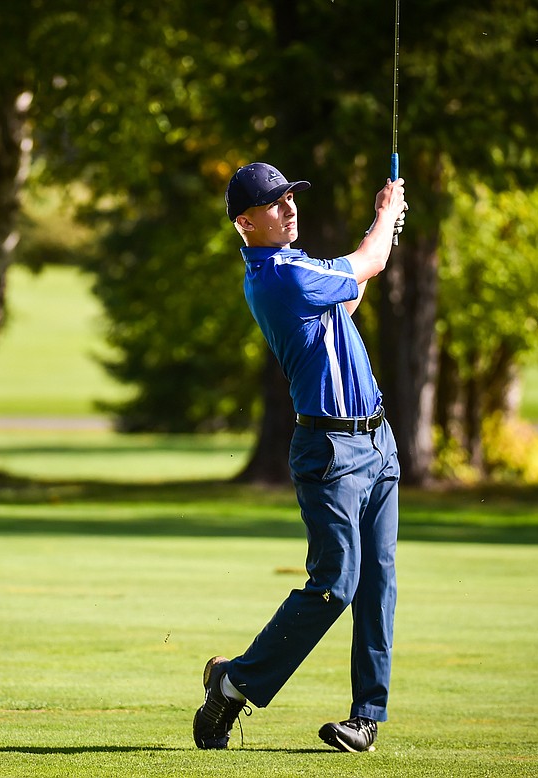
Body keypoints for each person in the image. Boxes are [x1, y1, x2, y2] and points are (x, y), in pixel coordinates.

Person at [193, 162, 407, 753]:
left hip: (378, 442)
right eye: (274, 203)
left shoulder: (302, 270)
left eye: (291, 197)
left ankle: (366, 717)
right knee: (337, 583)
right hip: (330, 452)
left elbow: (355, 290)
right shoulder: (277, 276)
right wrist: (386, 214)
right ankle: (234, 682)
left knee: (377, 581)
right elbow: (369, 264)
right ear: (245, 223)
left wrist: (383, 230)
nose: (289, 208)